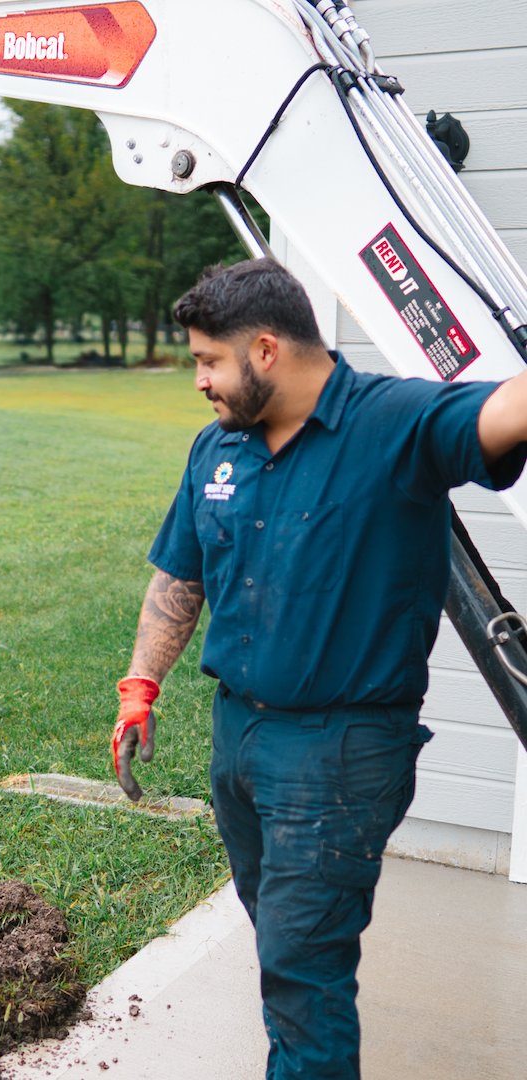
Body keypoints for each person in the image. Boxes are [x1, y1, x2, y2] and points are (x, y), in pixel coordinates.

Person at [111, 258, 527, 1079]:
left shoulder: (394, 424)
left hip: (339, 752)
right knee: (280, 940)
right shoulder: (216, 450)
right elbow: (179, 577)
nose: (198, 380)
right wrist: (140, 685)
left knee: (305, 975)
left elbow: (506, 411)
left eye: (208, 361)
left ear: (265, 349)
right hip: (239, 738)